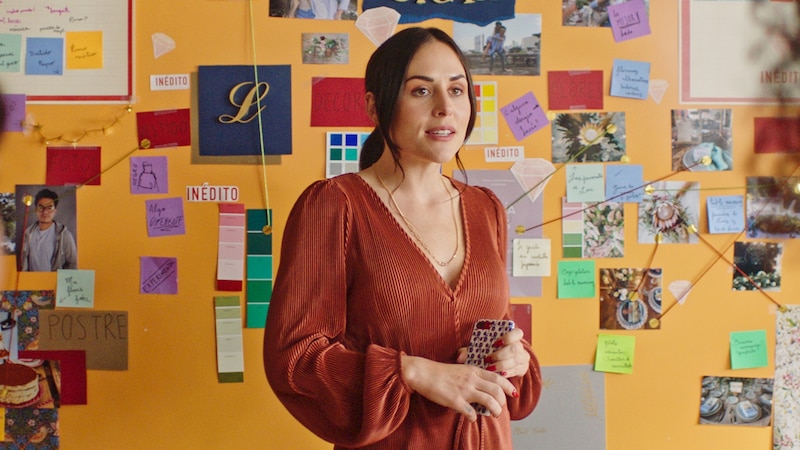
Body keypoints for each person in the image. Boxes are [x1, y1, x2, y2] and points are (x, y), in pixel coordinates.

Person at [263, 27, 542, 449]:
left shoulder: (487, 210)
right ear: (375, 106)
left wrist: (515, 359)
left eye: (457, 90)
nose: (445, 108)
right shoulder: (334, 206)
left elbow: (498, 341)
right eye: (420, 92)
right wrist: (411, 372)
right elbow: (295, 358)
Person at [20, 189, 77, 272]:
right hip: (31, 282)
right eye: (41, 207)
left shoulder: (64, 235)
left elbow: (72, 263)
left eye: (49, 208)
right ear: (35, 210)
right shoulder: (27, 234)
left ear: (55, 211)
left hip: (53, 282)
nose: (45, 212)